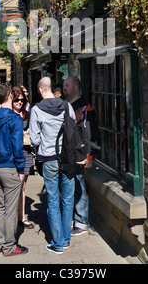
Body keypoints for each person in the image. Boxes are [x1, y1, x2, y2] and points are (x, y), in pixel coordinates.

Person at [29, 76, 76, 255]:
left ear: (41, 90)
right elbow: (74, 128)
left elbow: (34, 139)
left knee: (54, 200)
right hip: (68, 158)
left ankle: (57, 243)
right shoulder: (67, 105)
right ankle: (65, 239)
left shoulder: (37, 110)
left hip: (49, 158)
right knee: (68, 198)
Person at [0, 83, 28, 257]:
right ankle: (9, 246)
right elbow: (18, 146)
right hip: (9, 167)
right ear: (10, 96)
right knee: (10, 208)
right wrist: (21, 168)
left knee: (2, 206)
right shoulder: (15, 118)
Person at [63, 76, 101, 237]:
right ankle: (74, 218)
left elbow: (90, 134)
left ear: (76, 88)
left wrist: (90, 155)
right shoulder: (68, 106)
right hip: (68, 155)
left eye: (67, 85)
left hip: (80, 156)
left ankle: (82, 222)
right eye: (64, 85)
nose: (64, 88)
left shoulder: (84, 109)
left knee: (79, 188)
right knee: (71, 188)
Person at [12, 86, 34, 229]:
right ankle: (12, 217)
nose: (20, 102)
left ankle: (22, 216)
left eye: (22, 100)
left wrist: (29, 134)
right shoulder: (8, 114)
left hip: (25, 153)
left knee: (23, 186)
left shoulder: (27, 114)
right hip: (12, 155)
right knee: (13, 187)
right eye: (17, 100)